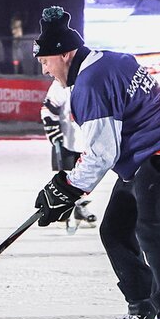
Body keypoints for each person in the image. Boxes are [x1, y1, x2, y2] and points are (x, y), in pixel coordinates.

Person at [32, 6, 160, 319]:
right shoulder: (111, 61)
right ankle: (144, 312)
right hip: (149, 161)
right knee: (115, 229)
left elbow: (102, 151)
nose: (45, 69)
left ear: (66, 53)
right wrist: (68, 188)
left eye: (46, 61)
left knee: (154, 232)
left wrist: (67, 188)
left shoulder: (90, 84)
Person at [40, 78, 97, 232]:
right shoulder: (61, 82)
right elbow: (48, 108)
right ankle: (62, 214)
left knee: (84, 178)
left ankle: (80, 210)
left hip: (86, 142)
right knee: (66, 179)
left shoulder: (92, 79)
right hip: (67, 142)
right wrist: (53, 132)